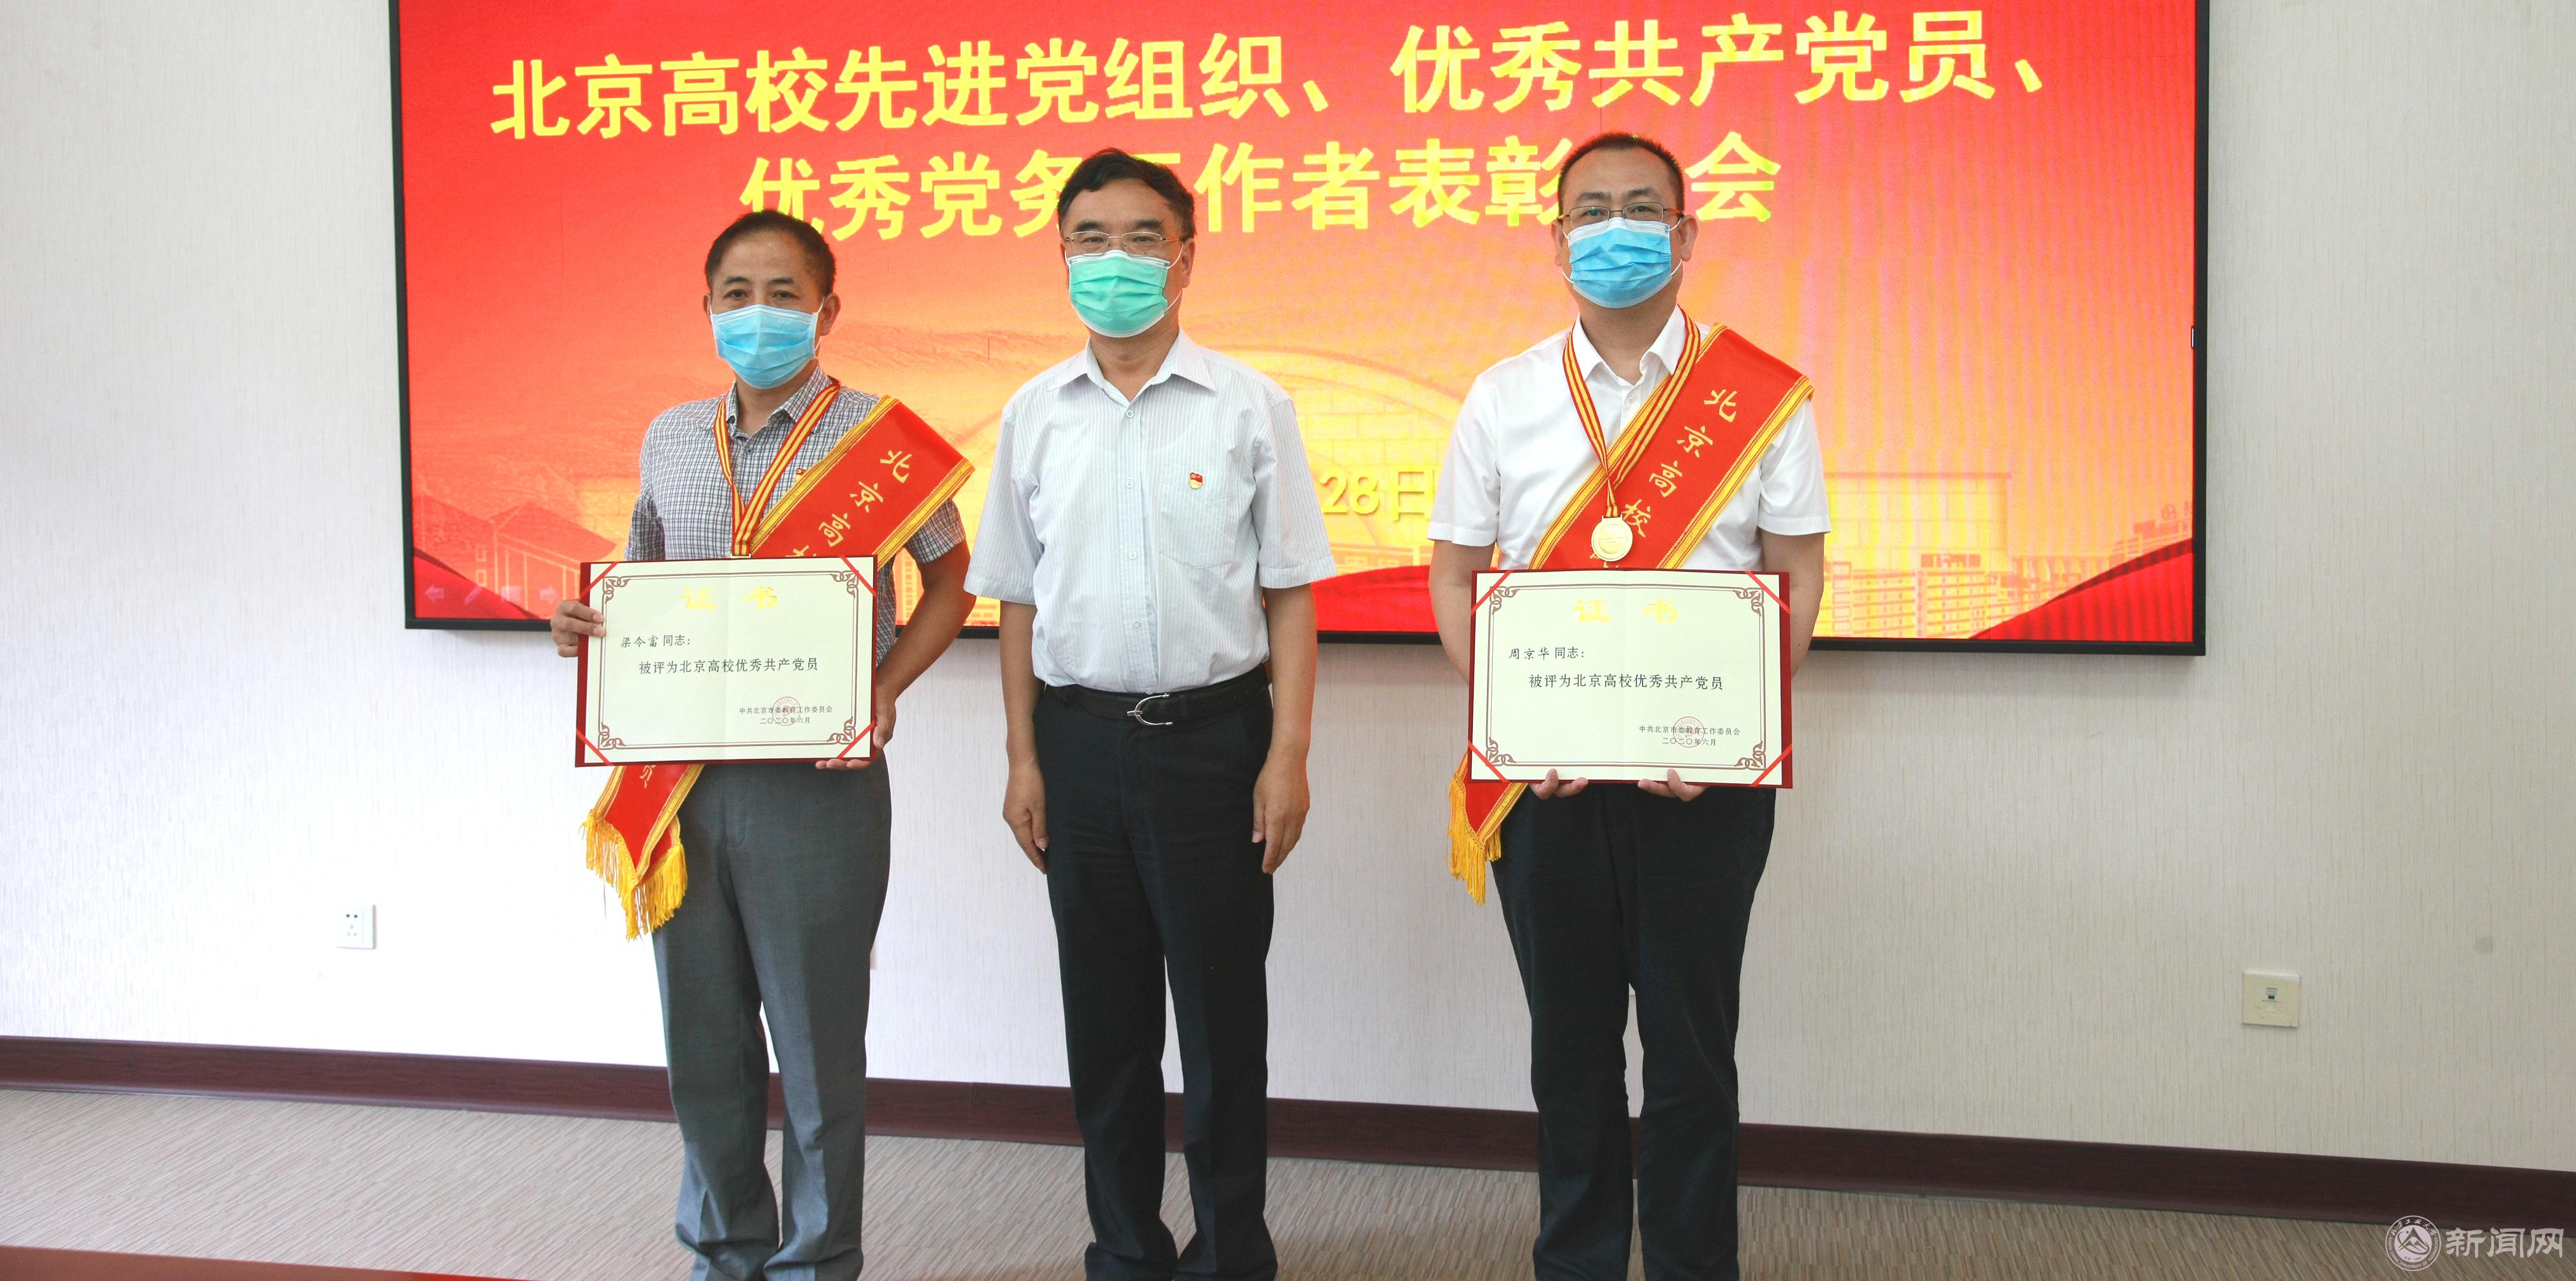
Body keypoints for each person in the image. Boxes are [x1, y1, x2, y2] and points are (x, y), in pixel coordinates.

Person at [1424, 133, 1828, 1281]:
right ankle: (1580, 1263)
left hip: (1703, 786)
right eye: (1591, 210)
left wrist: (1735, 731)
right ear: (1556, 241)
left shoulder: (1759, 396)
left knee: (1694, 1060)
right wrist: (1512, 723)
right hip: (1545, 785)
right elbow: (1453, 577)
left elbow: (1798, 577)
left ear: (1686, 233)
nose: (1617, 229)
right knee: (1568, 1057)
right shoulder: (1503, 397)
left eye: (1642, 208)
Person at [549, 207, 976, 1281]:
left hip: (817, 784)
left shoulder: (880, 437)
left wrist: (883, 686)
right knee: (703, 1042)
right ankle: (725, 1251)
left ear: (827, 311)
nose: (759, 314)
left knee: (818, 1046)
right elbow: (638, 577)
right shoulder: (669, 437)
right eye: (736, 294)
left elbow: (951, 583)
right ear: (706, 308)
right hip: (683, 781)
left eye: (784, 294)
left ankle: (817, 1263)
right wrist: (583, 625)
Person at [966, 149, 1336, 1281]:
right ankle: (1125, 1252)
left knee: (1223, 1029)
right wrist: (1023, 759)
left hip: (1214, 745)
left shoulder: (1248, 406)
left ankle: (1232, 1256)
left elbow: (1289, 594)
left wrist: (1287, 756)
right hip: (1077, 745)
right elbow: (1017, 601)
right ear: (1062, 255)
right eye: (1091, 238)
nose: (1114, 259)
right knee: (1107, 1028)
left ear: (1185, 257)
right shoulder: (1033, 414)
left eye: (1141, 237)